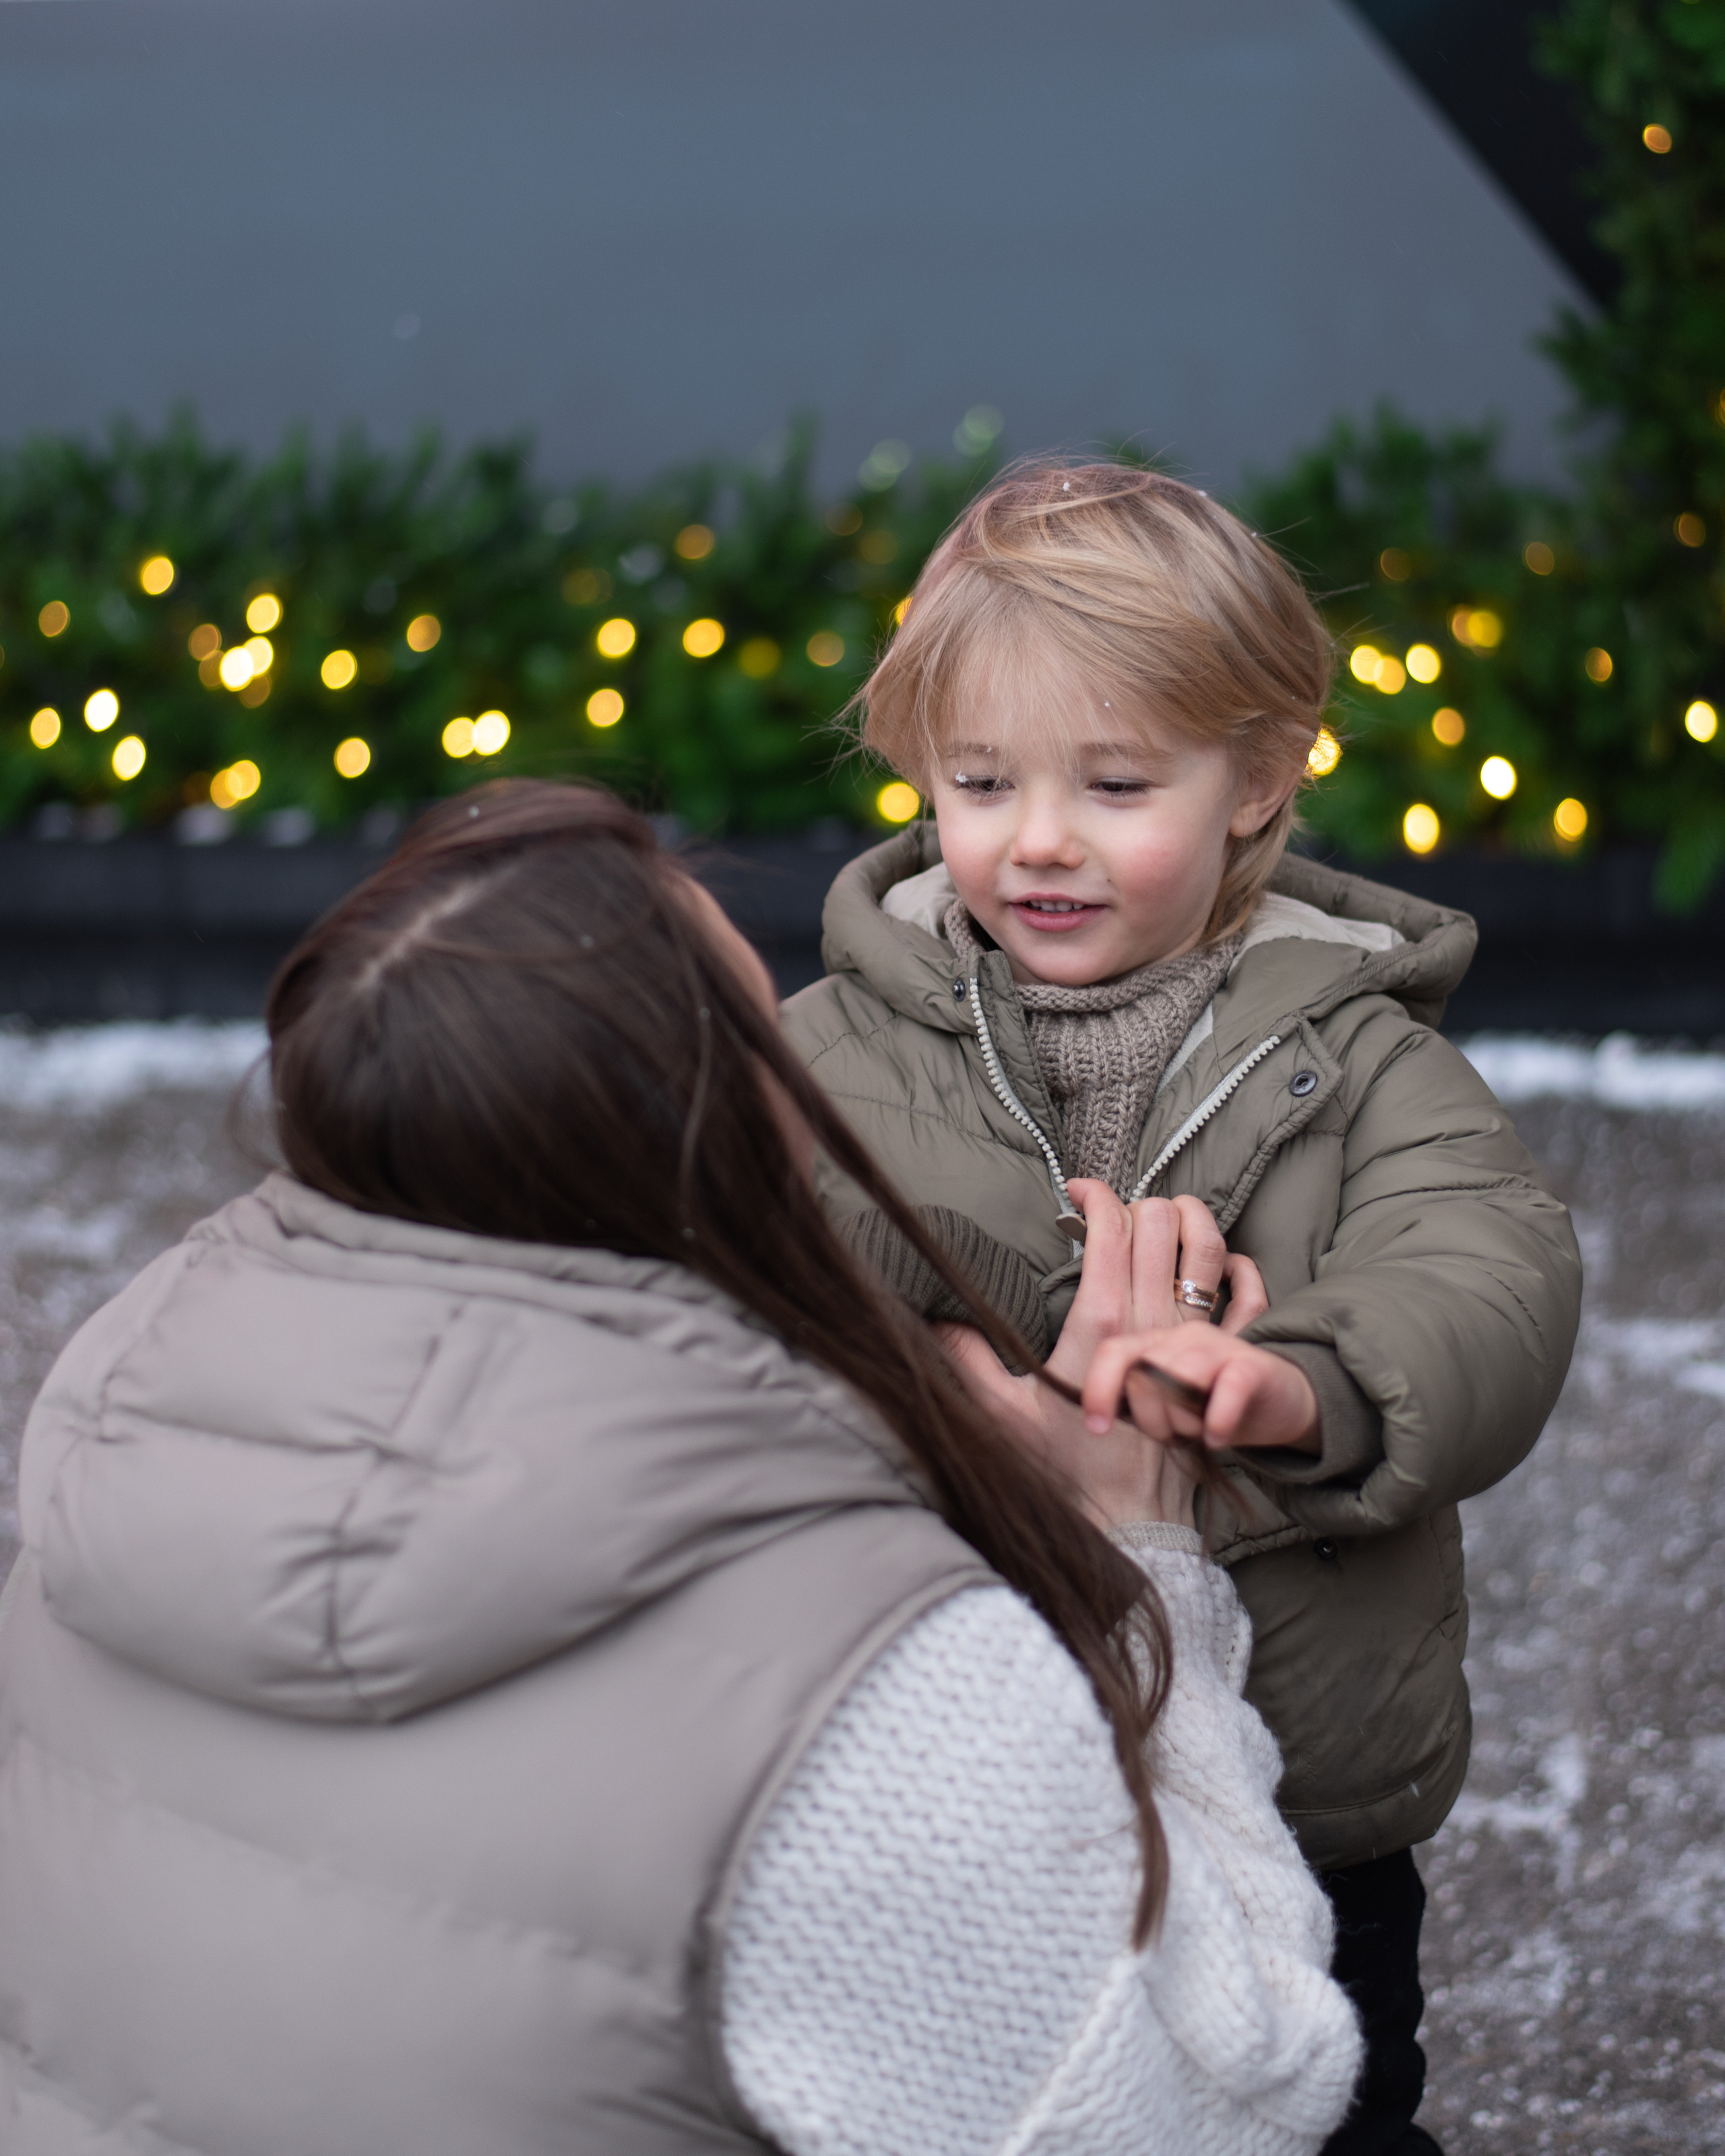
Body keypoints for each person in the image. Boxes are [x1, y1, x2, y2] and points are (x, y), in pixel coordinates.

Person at [0, 781, 1360, 2156]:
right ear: (731, 1144)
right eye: (772, 1046)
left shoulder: (112, 1458)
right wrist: (1138, 1559)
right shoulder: (868, 1697)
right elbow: (1230, 2101)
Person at [780, 463, 1586, 2156]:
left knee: (1323, 2101)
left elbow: (1485, 1270)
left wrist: (1299, 1382)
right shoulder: (832, 1056)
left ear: (1258, 777)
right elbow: (732, 1306)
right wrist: (911, 1390)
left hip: (1295, 1779)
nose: (1037, 838)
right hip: (951, 1755)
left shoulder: (1363, 1056)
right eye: (979, 781)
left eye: (1116, 780)